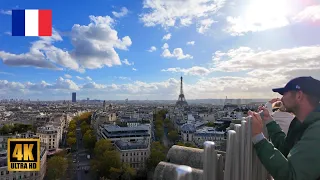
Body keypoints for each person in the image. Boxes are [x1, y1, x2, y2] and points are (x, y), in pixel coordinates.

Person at [249, 76, 320, 180]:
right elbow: (286, 149)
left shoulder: (317, 131)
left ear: (299, 96)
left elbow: (292, 176)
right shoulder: (302, 124)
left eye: (284, 94)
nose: (281, 98)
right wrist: (268, 120)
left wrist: (258, 138)